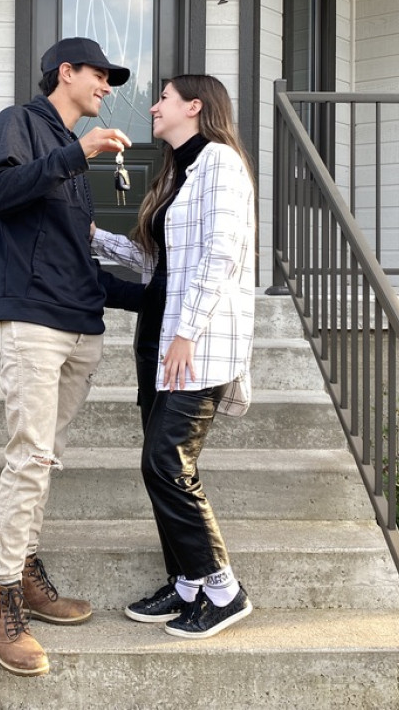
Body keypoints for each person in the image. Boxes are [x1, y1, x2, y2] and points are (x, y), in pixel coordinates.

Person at [0, 36, 133, 676]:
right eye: (98, 75)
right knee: (31, 456)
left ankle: (26, 570)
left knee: (50, 456)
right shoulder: (19, 123)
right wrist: (76, 153)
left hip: (79, 324)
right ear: (64, 73)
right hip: (32, 320)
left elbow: (74, 253)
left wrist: (156, 297)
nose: (107, 86)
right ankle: (1, 595)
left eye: (109, 79)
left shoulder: (75, 161)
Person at [91, 74, 256, 639]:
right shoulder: (176, 173)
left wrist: (187, 332)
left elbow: (221, 255)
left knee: (166, 463)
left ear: (195, 105)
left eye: (163, 97)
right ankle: (186, 582)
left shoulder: (221, 164)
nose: (154, 107)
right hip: (157, 338)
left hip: (197, 344)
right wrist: (93, 236)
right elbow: (154, 259)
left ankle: (223, 589)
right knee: (163, 467)